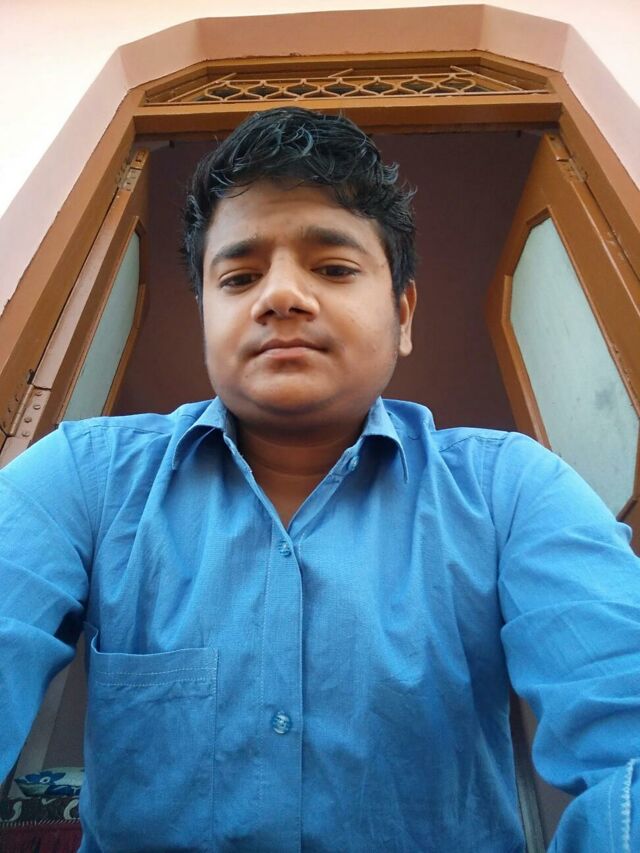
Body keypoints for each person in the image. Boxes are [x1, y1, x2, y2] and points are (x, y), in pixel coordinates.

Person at [0, 106, 639, 852]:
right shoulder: (82, 478)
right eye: (239, 276)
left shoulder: (512, 491)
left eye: (333, 268)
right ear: (207, 315)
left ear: (403, 314)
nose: (280, 296)